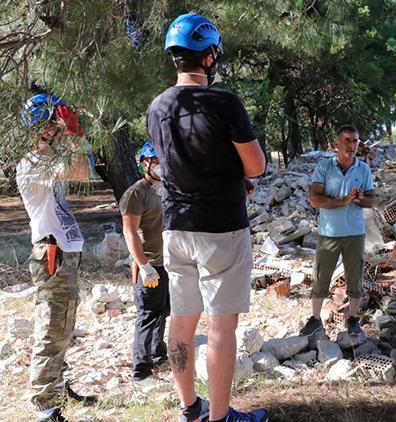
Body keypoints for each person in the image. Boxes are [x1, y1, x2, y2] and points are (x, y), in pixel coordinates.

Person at [147, 13, 267, 422]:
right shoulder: (224, 102)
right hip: (221, 229)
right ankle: (220, 418)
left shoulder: (157, 106)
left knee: (180, 323)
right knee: (221, 327)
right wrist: (238, 176)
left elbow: (177, 163)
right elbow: (255, 166)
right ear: (209, 57)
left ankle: (190, 409)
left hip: (176, 227)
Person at [16, 93, 97, 422]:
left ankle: (58, 387)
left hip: (64, 250)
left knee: (64, 326)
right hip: (52, 252)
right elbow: (82, 170)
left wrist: (71, 133)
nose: (61, 131)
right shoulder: (31, 164)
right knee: (51, 328)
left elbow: (83, 170)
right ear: (42, 127)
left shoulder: (50, 160)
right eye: (55, 125)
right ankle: (45, 404)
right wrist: (76, 134)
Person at [299, 125, 376, 338]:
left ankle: (352, 318)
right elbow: (315, 200)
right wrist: (343, 201)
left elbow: (372, 200)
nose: (352, 145)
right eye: (347, 140)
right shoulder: (324, 167)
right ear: (336, 144)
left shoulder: (363, 169)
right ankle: (315, 319)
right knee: (321, 276)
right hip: (328, 233)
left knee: (355, 277)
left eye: (355, 141)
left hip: (354, 232)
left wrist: (360, 199)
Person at [119, 140, 170, 382]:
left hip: (169, 262)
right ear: (145, 165)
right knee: (148, 312)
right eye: (156, 161)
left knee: (164, 310)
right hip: (148, 264)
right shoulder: (135, 194)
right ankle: (141, 367)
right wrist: (143, 265)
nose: (161, 166)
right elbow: (130, 232)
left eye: (163, 161)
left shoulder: (168, 189)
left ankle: (158, 353)